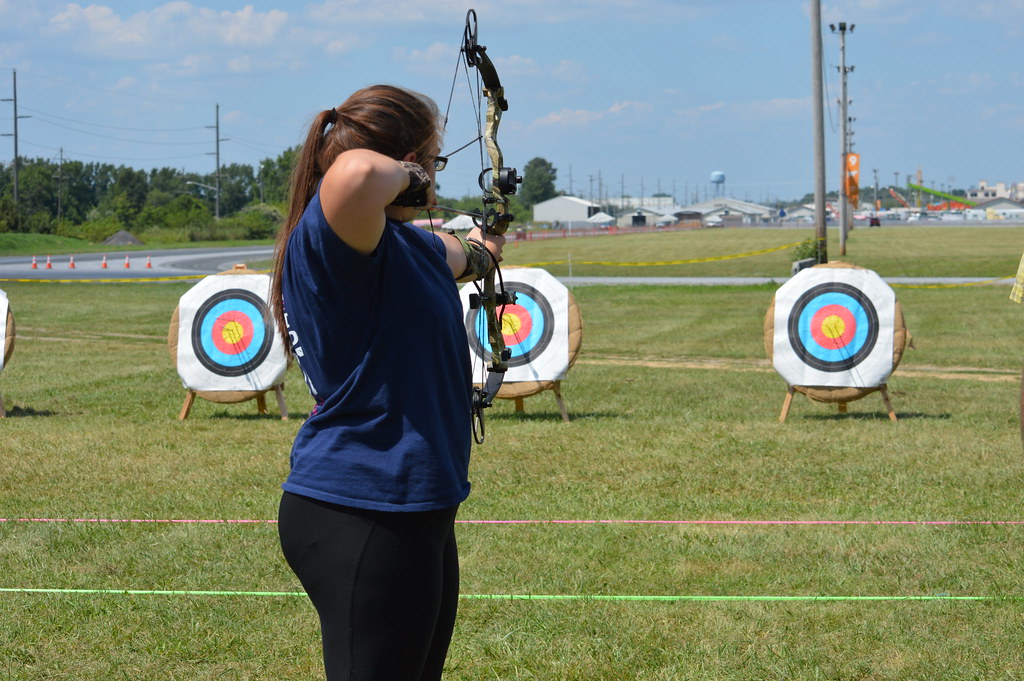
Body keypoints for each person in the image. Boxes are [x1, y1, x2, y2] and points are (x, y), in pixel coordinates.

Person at [269, 84, 504, 681]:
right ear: (408, 163)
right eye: (435, 161)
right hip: (362, 508)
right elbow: (352, 173)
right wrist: (413, 174)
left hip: (414, 507)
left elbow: (459, 253)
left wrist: (485, 244)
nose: (436, 177)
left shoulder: (398, 245)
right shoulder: (334, 241)